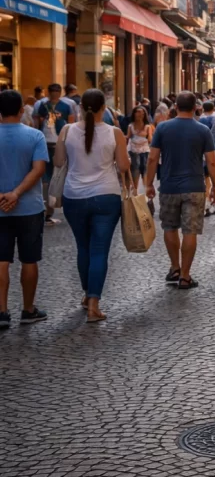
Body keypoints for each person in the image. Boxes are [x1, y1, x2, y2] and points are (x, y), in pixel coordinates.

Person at [54, 89, 131, 323]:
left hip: (74, 196)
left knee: (83, 248)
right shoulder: (114, 132)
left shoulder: (67, 131)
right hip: (106, 196)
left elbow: (58, 162)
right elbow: (124, 165)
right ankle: (94, 305)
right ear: (103, 109)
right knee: (99, 250)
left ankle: (88, 295)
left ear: (80, 108)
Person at [146, 91, 215, 290]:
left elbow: (152, 158)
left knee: (170, 228)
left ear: (175, 107)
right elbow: (212, 161)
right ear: (196, 108)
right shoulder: (203, 130)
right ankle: (185, 276)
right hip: (195, 187)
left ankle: (175, 267)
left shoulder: (162, 128)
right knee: (190, 231)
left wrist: (148, 183)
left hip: (169, 186)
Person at [0, 89, 48, 328]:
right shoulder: (35, 136)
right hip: (29, 207)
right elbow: (39, 169)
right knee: (29, 260)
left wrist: (3, 196)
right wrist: (16, 193)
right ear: (21, 110)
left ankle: (1, 311)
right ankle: (28, 310)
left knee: (0, 260)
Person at [34, 83, 76, 225]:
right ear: (49, 92)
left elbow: (71, 123)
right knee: (45, 178)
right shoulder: (42, 105)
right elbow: (36, 122)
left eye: (57, 91)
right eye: (52, 91)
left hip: (59, 142)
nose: (54, 93)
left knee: (59, 174)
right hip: (45, 142)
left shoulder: (65, 106)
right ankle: (48, 210)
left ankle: (56, 204)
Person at [126, 106, 153, 192]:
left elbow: (150, 139)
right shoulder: (131, 126)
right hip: (133, 148)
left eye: (142, 113)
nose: (140, 114)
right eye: (137, 112)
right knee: (135, 167)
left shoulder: (148, 126)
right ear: (134, 113)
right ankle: (135, 189)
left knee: (144, 167)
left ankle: (146, 189)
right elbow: (128, 137)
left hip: (144, 149)